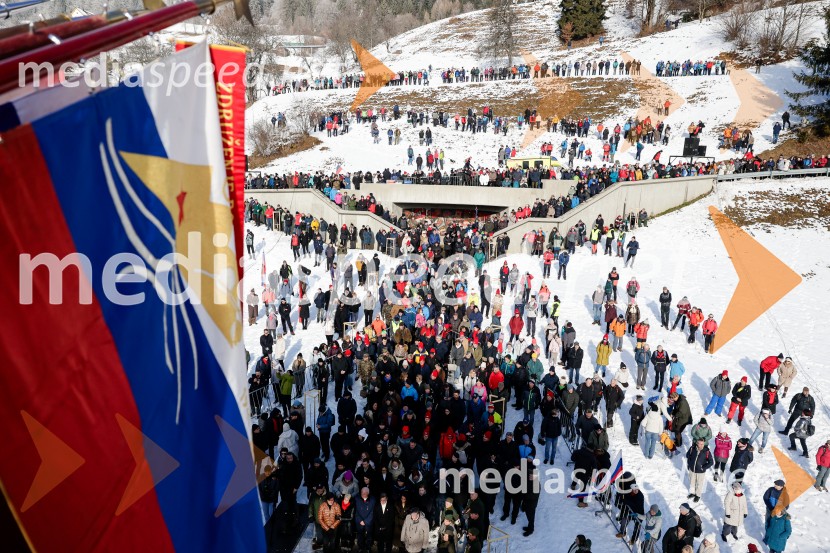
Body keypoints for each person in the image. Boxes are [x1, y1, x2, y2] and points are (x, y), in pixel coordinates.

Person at [686, 438, 714, 502]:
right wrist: (690, 464)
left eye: (702, 444)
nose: (701, 445)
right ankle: (693, 493)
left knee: (699, 484)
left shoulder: (706, 451)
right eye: (699, 444)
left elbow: (711, 462)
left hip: (700, 472)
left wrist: (703, 467)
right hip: (692, 470)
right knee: (692, 483)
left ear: (704, 443)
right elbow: (688, 455)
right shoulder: (692, 448)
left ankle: (697, 495)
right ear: (697, 443)